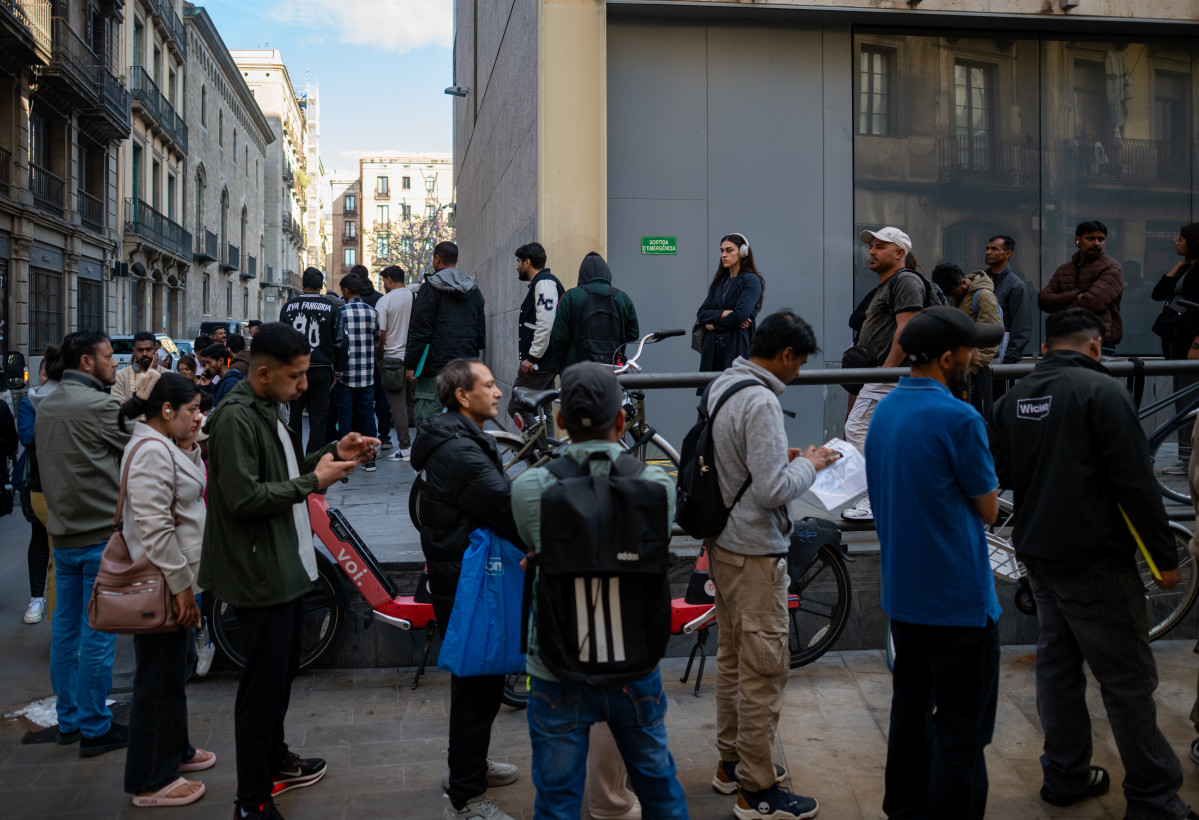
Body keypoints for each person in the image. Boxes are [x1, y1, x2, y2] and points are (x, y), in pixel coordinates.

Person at [991, 308, 1194, 819]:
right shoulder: (1103, 393)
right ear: (1097, 347)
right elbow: (1135, 483)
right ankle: (1153, 797)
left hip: (1037, 554)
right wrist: (1164, 558)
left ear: (1045, 348)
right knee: (1127, 679)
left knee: (1058, 668)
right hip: (1095, 558)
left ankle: (1065, 775)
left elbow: (1004, 474)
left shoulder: (1014, 399)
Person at [199, 322, 376, 820]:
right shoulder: (236, 418)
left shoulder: (269, 410)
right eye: (296, 376)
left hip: (285, 566)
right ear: (263, 373)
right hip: (258, 574)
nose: (304, 385)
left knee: (279, 679)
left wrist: (332, 454)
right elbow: (241, 498)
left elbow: (290, 473)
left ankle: (276, 761)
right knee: (261, 688)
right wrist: (313, 480)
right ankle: (251, 800)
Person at [511, 362, 688, 820]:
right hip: (635, 660)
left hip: (555, 663)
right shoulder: (657, 486)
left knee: (556, 802)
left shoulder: (530, 488)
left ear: (561, 421)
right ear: (622, 421)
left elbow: (537, 545)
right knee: (660, 790)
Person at [865, 305, 1004, 819]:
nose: (976, 357)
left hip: (904, 595)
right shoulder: (959, 417)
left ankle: (903, 811)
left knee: (910, 715)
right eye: (971, 349)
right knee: (962, 732)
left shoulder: (886, 409)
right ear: (948, 358)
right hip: (959, 601)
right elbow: (988, 509)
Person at [706, 310, 839, 820]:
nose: (800, 373)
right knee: (764, 671)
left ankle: (730, 764)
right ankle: (756, 791)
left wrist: (780, 455)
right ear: (785, 355)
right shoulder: (761, 399)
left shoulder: (725, 383)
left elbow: (732, 458)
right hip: (754, 552)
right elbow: (772, 490)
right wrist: (811, 463)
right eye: (800, 363)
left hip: (722, 545)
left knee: (734, 660)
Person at [410, 358, 524, 820]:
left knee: (480, 681)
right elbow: (507, 508)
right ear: (462, 396)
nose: (498, 393)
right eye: (489, 386)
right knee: (477, 685)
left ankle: (467, 766)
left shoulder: (460, 438)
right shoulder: (461, 453)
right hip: (467, 581)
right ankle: (467, 795)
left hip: (465, 575)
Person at [117, 371, 215, 809]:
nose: (199, 417)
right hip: (163, 582)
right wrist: (180, 589)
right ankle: (151, 780)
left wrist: (191, 446)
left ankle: (176, 750)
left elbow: (187, 490)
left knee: (176, 670)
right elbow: (155, 530)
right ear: (166, 410)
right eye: (192, 410)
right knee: (157, 679)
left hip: (177, 579)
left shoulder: (165, 446)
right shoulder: (150, 452)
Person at [36, 330, 131, 756]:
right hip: (99, 537)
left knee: (65, 629)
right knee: (97, 634)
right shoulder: (98, 404)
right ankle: (95, 727)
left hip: (63, 533)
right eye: (109, 357)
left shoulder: (46, 402)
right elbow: (138, 446)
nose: (115, 363)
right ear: (87, 362)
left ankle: (69, 720)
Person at [843, 227, 927, 521]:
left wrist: (885, 370)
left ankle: (879, 496)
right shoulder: (891, 283)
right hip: (885, 374)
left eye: (880, 246)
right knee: (882, 437)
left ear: (900, 253)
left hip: (890, 374)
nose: (872, 251)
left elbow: (908, 327)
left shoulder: (904, 280)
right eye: (872, 246)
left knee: (856, 430)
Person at [404, 242, 486, 430]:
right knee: (464, 419)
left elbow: (420, 330)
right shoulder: (473, 290)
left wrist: (411, 364)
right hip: (465, 366)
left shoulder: (430, 289)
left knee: (429, 421)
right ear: (456, 260)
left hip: (435, 368)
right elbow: (480, 330)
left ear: (437, 258)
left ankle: (434, 457)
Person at [279, 267, 349, 454]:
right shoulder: (332, 308)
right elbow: (341, 343)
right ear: (321, 285)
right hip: (322, 369)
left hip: (294, 371)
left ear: (303, 284)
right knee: (319, 417)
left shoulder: (288, 307)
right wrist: (337, 371)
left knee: (294, 416)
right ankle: (314, 457)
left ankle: (294, 457)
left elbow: (280, 341)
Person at [15, 345, 61, 625]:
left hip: (60, 484)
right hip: (38, 482)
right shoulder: (29, 402)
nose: (45, 379)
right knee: (41, 540)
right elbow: (27, 435)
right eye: (42, 373)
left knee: (58, 552)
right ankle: (36, 599)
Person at [1151, 222, 1199, 474]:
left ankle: (1189, 459)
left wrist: (1197, 344)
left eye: (1180, 238)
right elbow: (1158, 294)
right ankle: (1186, 458)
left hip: (1190, 344)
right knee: (1182, 400)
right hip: (1177, 342)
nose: (1175, 242)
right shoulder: (1187, 268)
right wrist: (1179, 267)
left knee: (1190, 402)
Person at [1038, 220, 1125, 352]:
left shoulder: (1111, 267)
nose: (1096, 243)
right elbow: (1043, 300)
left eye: (1101, 239)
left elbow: (1092, 302)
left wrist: (1058, 313)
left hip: (1097, 340)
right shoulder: (1064, 269)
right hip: (1066, 338)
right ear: (1077, 241)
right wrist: (1075, 294)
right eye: (1090, 238)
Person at [550, 252, 639, 369]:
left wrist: (561, 364)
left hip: (577, 370)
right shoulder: (622, 297)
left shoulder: (571, 296)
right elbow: (633, 334)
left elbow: (558, 338)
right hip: (613, 369)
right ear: (607, 273)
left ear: (582, 274)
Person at [509, 242, 564, 428]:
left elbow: (546, 324)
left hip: (540, 363)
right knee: (544, 411)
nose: (516, 267)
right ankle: (546, 454)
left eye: (518, 261)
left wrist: (532, 357)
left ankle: (539, 450)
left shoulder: (544, 283)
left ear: (528, 262)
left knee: (516, 406)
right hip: (544, 361)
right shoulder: (541, 283)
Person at [930, 262, 1003, 401]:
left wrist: (971, 368)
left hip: (974, 369)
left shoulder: (984, 296)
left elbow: (990, 342)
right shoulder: (955, 294)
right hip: (957, 368)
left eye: (952, 293)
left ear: (963, 282)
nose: (952, 297)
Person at [696, 233, 764, 374]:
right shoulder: (719, 283)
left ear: (743, 252)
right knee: (712, 392)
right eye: (722, 251)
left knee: (735, 390)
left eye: (729, 250)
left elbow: (740, 316)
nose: (724, 255)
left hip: (736, 348)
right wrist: (723, 313)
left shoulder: (751, 280)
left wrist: (712, 325)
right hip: (712, 351)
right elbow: (701, 313)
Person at [336, 272, 379, 471]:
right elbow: (377, 342)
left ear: (345, 291)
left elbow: (337, 344)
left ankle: (347, 457)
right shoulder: (372, 312)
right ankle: (370, 458)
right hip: (366, 374)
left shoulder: (341, 313)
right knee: (367, 415)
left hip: (345, 374)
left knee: (345, 416)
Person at [376, 265, 414, 461]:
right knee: (413, 404)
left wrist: (379, 354)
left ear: (389, 280)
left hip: (392, 358)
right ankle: (421, 446)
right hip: (414, 359)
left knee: (397, 407)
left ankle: (405, 448)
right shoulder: (415, 297)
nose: (383, 284)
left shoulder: (385, 301)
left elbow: (381, 332)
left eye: (383, 281)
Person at [983, 235, 1032, 365]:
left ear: (1008, 254)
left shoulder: (1016, 286)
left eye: (994, 249)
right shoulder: (980, 280)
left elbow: (1021, 327)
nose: (988, 252)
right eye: (987, 248)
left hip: (1001, 359)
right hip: (978, 355)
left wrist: (1009, 359)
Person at [112, 331, 159, 404]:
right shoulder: (121, 377)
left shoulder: (167, 374)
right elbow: (118, 409)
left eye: (148, 349)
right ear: (134, 351)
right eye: (140, 350)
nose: (144, 354)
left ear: (156, 350)